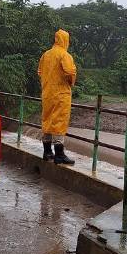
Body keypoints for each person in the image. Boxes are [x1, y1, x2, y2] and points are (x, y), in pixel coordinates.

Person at [38, 29, 77, 165]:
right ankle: (59, 154)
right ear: (65, 40)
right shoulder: (64, 55)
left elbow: (40, 72)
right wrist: (70, 82)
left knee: (47, 120)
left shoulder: (46, 55)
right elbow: (70, 72)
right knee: (59, 121)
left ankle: (47, 152)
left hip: (47, 93)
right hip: (61, 94)